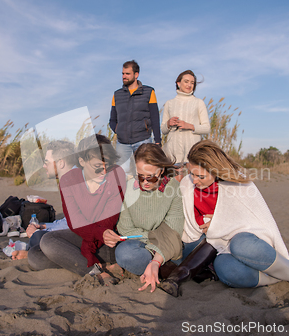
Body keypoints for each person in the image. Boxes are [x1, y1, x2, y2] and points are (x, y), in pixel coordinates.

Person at [160, 140, 289, 300]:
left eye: (200, 176)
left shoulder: (238, 184)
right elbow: (182, 220)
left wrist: (216, 225)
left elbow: (258, 221)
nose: (194, 179)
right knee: (225, 269)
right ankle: (276, 278)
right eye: (191, 173)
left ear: (216, 171)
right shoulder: (187, 185)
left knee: (241, 244)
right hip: (211, 249)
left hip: (243, 242)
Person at [27, 134, 126, 285]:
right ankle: (98, 264)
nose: (104, 171)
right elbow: (75, 222)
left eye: (108, 164)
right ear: (82, 161)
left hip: (107, 241)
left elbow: (109, 220)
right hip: (86, 236)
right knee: (35, 256)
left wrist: (93, 245)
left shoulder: (116, 174)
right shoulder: (68, 181)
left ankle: (95, 272)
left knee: (48, 241)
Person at [111, 143, 184, 293]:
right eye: (140, 176)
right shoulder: (130, 188)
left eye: (150, 178)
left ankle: (155, 267)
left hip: (165, 246)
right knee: (124, 253)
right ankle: (166, 270)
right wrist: (154, 237)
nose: (144, 183)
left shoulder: (173, 189)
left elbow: (173, 230)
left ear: (161, 170)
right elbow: (125, 228)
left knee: (179, 249)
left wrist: (156, 259)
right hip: (144, 245)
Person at [12, 140, 76, 260]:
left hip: (89, 238)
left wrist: (39, 233)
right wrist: (43, 226)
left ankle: (35, 253)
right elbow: (69, 220)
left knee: (39, 239)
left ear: (61, 163)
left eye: (47, 162)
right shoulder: (69, 179)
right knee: (39, 238)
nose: (44, 166)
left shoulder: (74, 182)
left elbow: (75, 226)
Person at [109, 60, 161, 175]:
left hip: (143, 140)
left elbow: (155, 118)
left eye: (127, 74)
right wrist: (119, 130)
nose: (124, 76)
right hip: (122, 144)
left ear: (136, 74)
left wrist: (158, 141)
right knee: (121, 175)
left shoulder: (149, 92)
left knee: (145, 173)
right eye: (123, 74)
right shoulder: (117, 95)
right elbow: (112, 120)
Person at [161, 70, 210, 165]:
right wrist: (168, 124)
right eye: (186, 81)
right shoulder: (169, 103)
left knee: (191, 179)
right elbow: (163, 130)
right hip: (172, 153)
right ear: (178, 83)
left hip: (192, 153)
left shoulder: (199, 102)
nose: (189, 85)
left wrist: (189, 126)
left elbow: (207, 128)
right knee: (174, 179)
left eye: (192, 83)